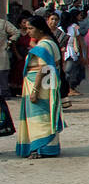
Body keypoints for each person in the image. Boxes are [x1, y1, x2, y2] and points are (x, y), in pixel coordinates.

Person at [14, 15, 64, 158]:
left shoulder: (43, 46)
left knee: (38, 117)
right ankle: (48, 147)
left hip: (40, 86)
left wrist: (35, 90)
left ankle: (40, 148)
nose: (28, 31)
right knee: (46, 114)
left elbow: (43, 69)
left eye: (31, 28)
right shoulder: (51, 43)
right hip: (48, 84)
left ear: (40, 29)